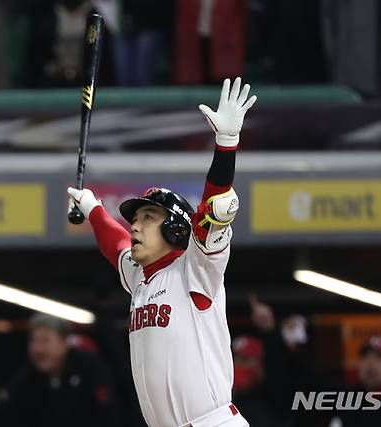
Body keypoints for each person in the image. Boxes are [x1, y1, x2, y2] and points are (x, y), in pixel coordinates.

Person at [67, 77, 256, 427]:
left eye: (148, 218)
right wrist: (93, 209)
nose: (135, 226)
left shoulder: (196, 268)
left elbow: (214, 205)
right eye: (135, 219)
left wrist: (226, 144)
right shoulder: (140, 276)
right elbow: (116, 244)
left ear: (175, 228)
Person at [0, 313, 121, 427]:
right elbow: (2, 416)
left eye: (45, 340)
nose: (38, 349)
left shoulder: (90, 368)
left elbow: (109, 415)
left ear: (64, 342)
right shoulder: (26, 377)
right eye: (34, 340)